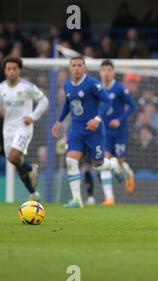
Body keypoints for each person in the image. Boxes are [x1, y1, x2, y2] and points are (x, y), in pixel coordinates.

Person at [51, 56, 121, 208]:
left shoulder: (91, 83)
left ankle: (113, 164)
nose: (76, 68)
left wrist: (97, 118)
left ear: (84, 68)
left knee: (98, 164)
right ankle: (77, 199)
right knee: (71, 160)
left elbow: (107, 101)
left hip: (94, 130)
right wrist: (59, 120)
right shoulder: (67, 85)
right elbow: (67, 105)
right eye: (73, 65)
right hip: (76, 130)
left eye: (79, 65)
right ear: (70, 68)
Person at [0, 56, 48, 201]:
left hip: (23, 127)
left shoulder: (27, 87)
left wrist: (32, 116)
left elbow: (44, 101)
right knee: (14, 161)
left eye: (14, 68)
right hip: (8, 129)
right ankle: (33, 192)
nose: (11, 71)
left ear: (19, 70)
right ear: (5, 71)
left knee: (14, 156)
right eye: (8, 69)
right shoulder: (1, 87)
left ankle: (31, 168)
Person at [99, 59, 137, 205]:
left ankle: (129, 174)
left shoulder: (119, 88)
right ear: (100, 72)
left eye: (109, 70)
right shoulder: (97, 88)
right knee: (104, 161)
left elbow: (133, 106)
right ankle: (109, 197)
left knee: (120, 162)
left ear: (113, 72)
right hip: (104, 131)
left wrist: (119, 120)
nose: (106, 73)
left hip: (120, 131)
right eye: (104, 70)